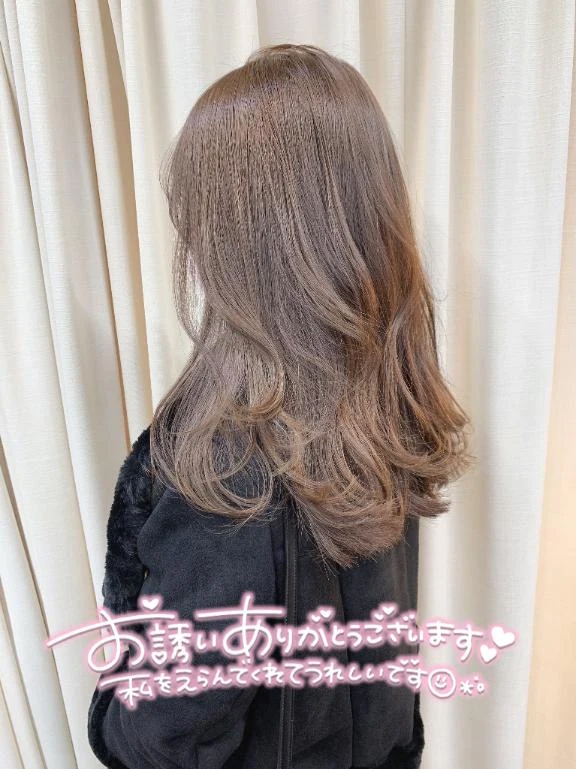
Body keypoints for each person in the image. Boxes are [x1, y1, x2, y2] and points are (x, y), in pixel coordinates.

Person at [87, 42, 473, 769]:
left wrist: (114, 718)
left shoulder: (227, 465)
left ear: (235, 242)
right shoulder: (381, 406)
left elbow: (171, 734)